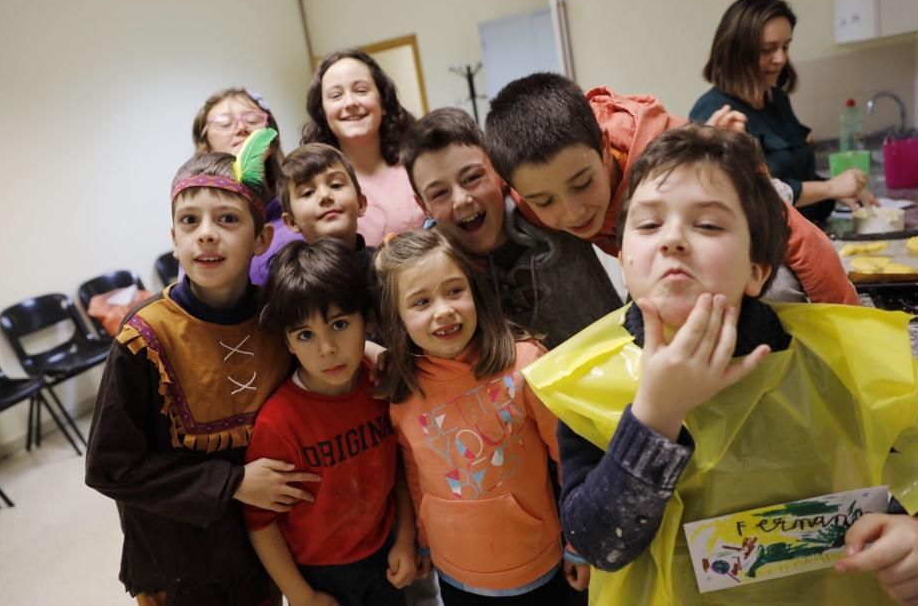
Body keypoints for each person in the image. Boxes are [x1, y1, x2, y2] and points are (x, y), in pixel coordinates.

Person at [522, 126, 918, 605]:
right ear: (624, 260)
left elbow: (902, 473)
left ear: (757, 269)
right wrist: (655, 416)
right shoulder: (585, 381)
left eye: (707, 225)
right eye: (649, 225)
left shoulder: (844, 360)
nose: (673, 239)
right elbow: (598, 543)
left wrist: (910, 533)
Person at [85, 132, 320, 606]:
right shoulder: (143, 339)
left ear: (262, 239)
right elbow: (110, 468)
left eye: (227, 219)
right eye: (189, 221)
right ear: (174, 240)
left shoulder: (277, 319)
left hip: (261, 552)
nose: (206, 233)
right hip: (179, 564)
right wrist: (231, 483)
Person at [483, 72, 860, 305]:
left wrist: (850, 339)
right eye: (544, 201)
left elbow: (801, 238)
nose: (572, 212)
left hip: (749, 199)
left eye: (582, 184)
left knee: (775, 292)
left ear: (603, 148)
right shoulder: (523, 191)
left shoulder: (668, 162)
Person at [372, 229, 590, 605]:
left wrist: (579, 542)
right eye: (421, 302)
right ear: (398, 318)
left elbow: (567, 460)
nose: (443, 310)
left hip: (541, 566)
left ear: (474, 291)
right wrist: (423, 541)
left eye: (454, 291)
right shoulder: (402, 391)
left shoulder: (526, 363)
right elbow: (415, 474)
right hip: (454, 574)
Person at [244, 239, 416, 606]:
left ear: (365, 321)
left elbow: (399, 467)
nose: (326, 349)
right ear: (287, 343)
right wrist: (301, 596)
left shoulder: (380, 384)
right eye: (305, 335)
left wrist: (405, 537)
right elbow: (260, 522)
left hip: (385, 552)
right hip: (319, 574)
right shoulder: (278, 423)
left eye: (339, 324)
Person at [401, 107, 622, 349]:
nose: (461, 199)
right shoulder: (435, 269)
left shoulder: (546, 206)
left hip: (621, 363)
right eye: (440, 193)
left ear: (499, 172)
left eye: (472, 178)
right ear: (423, 205)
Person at [690, 0, 876, 224]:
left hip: (805, 236)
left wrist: (841, 192)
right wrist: (830, 188)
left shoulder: (777, 100)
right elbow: (753, 193)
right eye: (768, 49)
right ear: (737, 53)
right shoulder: (716, 112)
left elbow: (795, 176)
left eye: (785, 47)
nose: (780, 58)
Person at [302, 49, 426, 246]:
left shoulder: (418, 165)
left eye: (361, 90)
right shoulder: (314, 188)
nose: (350, 103)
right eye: (336, 95)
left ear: (383, 102)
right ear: (322, 112)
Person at [192, 87, 302, 284]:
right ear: (206, 146)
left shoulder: (301, 204)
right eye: (224, 123)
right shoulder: (199, 226)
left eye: (252, 120)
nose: (241, 128)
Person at [278, 143, 374, 270]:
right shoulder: (291, 286)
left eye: (336, 185)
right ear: (291, 222)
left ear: (361, 203)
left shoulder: (387, 271)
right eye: (308, 193)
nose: (325, 196)